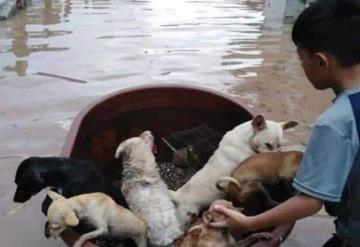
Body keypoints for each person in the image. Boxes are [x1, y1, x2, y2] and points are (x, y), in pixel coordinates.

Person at [208, 0, 360, 246]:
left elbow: (310, 202)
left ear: (321, 61)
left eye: (301, 59)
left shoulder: (335, 122)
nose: (301, 66)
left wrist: (247, 223)